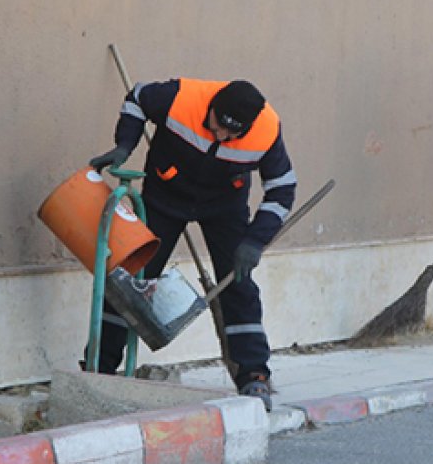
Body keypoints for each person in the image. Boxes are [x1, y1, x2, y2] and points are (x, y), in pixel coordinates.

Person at [88, 77, 296, 410]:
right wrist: (124, 145)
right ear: (212, 108)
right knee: (131, 277)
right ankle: (100, 368)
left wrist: (255, 240)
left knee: (239, 286)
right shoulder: (181, 97)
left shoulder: (266, 130)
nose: (223, 137)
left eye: (233, 134)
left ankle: (254, 376)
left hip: (225, 206)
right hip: (164, 195)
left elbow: (283, 188)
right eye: (218, 127)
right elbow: (137, 98)